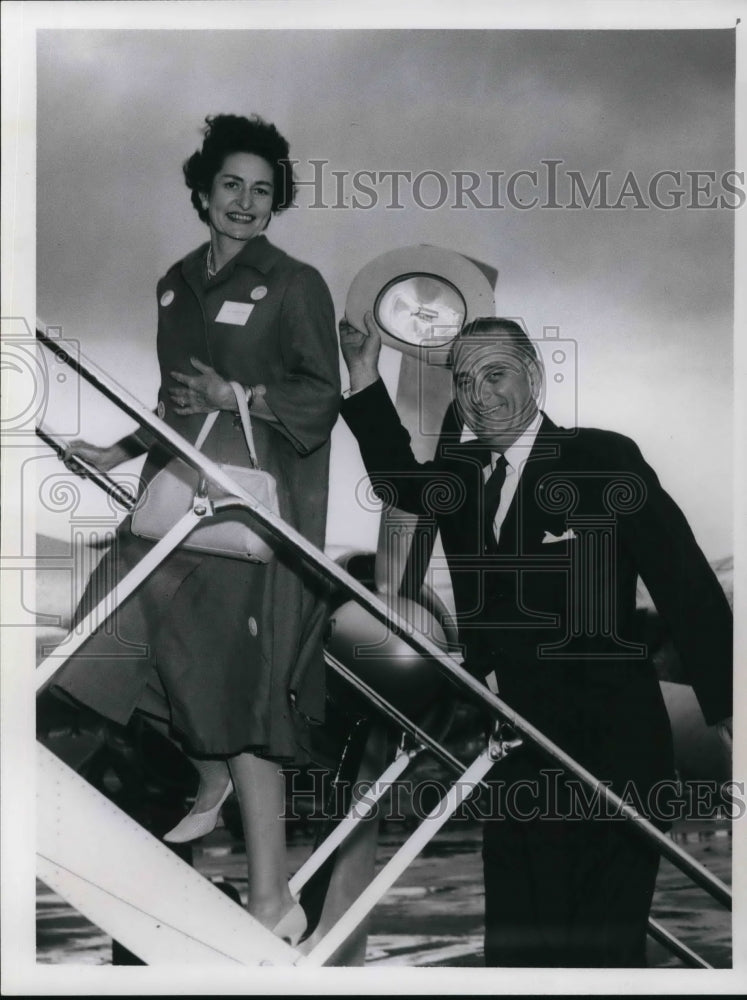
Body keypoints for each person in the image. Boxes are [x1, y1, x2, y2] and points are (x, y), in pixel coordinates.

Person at [338, 312, 732, 967]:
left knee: (599, 957)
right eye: (463, 382)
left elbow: (684, 582)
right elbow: (394, 481)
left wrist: (728, 710)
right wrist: (362, 375)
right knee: (518, 960)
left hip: (612, 756)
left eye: (494, 374)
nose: (479, 395)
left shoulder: (602, 458)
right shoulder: (460, 473)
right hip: (518, 761)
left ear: (534, 376)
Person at [49, 113, 340, 943]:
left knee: (238, 693)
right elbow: (173, 397)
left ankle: (272, 899)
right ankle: (206, 775)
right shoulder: (174, 281)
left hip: (249, 513)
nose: (246, 202)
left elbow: (320, 397)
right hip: (174, 494)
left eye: (261, 190)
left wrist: (237, 399)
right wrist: (114, 447)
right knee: (106, 638)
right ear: (201, 194)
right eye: (230, 187)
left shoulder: (295, 283)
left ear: (274, 202)